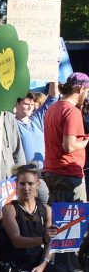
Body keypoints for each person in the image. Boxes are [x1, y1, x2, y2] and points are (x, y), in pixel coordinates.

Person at [0, 163, 74, 272]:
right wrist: (43, 239)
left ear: (38, 184)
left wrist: (42, 266)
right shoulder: (9, 209)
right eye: (22, 184)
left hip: (37, 267)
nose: (26, 188)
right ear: (16, 185)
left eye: (30, 183)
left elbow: (51, 243)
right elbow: (17, 241)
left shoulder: (46, 210)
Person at [43, 73, 89, 207]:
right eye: (86, 92)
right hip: (68, 175)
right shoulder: (72, 111)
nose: (86, 96)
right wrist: (87, 140)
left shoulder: (53, 108)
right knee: (74, 224)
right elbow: (68, 146)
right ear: (80, 90)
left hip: (52, 172)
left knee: (56, 223)